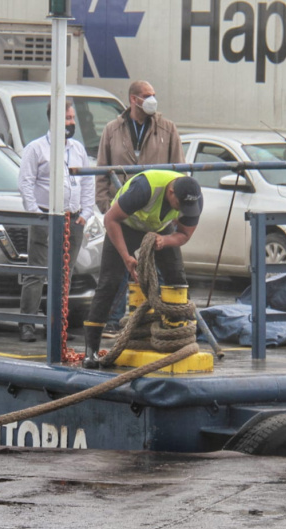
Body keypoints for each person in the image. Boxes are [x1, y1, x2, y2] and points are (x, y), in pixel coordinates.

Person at [83, 170, 202, 368]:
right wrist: (126, 257)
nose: (183, 210)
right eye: (181, 205)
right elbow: (110, 219)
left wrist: (165, 240)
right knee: (109, 282)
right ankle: (91, 351)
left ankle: (176, 339)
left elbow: (184, 234)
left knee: (177, 279)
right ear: (171, 192)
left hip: (159, 229)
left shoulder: (194, 200)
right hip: (124, 225)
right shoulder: (144, 188)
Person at [95, 80, 184, 338]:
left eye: (154, 94)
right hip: (124, 213)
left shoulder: (167, 129)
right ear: (134, 99)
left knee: (168, 270)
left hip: (157, 213)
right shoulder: (113, 130)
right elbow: (102, 171)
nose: (152, 99)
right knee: (117, 270)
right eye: (147, 95)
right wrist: (107, 207)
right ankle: (111, 322)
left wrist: (175, 213)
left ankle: (168, 319)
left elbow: (180, 170)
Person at [17, 100, 95, 342]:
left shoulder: (78, 149)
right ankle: (27, 324)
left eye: (72, 118)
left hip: (73, 219)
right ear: (54, 119)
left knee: (64, 274)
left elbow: (87, 181)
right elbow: (25, 182)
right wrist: (35, 213)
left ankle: (57, 325)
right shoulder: (36, 148)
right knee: (37, 272)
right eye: (67, 118)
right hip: (45, 217)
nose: (71, 123)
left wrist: (86, 213)